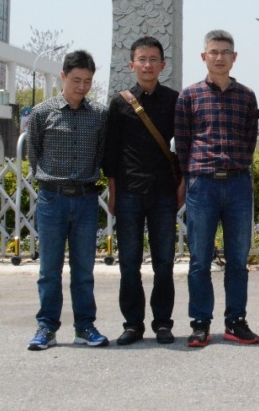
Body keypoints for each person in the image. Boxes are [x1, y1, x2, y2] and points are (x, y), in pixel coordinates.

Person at [175, 30, 259, 347]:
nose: (219, 57)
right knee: (199, 259)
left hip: (237, 183)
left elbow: (250, 139)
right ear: (204, 57)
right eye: (214, 52)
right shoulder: (189, 96)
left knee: (238, 259)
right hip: (203, 184)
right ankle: (200, 323)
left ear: (234, 57)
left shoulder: (247, 96)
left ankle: (236, 321)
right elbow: (183, 143)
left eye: (225, 52)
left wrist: (237, 165)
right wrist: (190, 177)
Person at [26, 50, 109, 351]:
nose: (82, 87)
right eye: (76, 80)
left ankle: (85, 326)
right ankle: (46, 328)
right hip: (52, 199)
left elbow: (102, 154)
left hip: (86, 200)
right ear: (63, 76)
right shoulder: (41, 113)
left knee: (84, 270)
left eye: (87, 81)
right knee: (49, 269)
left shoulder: (99, 115)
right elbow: (33, 154)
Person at [103, 36, 181, 346]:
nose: (147, 65)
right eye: (142, 59)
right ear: (132, 65)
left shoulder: (175, 101)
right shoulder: (119, 103)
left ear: (163, 65)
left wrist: (181, 187)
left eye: (153, 60)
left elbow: (184, 148)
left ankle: (162, 323)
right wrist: (113, 192)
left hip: (164, 193)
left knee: (164, 263)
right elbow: (110, 153)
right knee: (129, 263)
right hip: (129, 193)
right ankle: (133, 324)